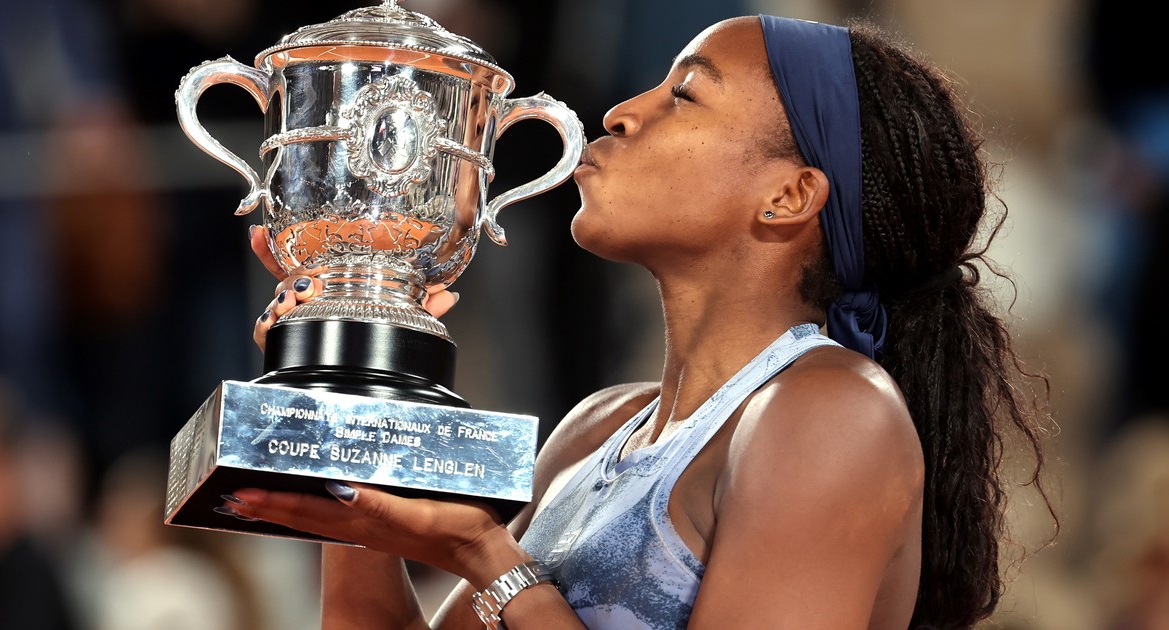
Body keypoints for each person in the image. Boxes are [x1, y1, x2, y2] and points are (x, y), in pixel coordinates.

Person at [216, 13, 1053, 629]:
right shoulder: (597, 428)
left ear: (789, 195)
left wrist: (487, 557)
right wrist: (355, 399)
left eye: (684, 94)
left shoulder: (836, 415)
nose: (621, 111)